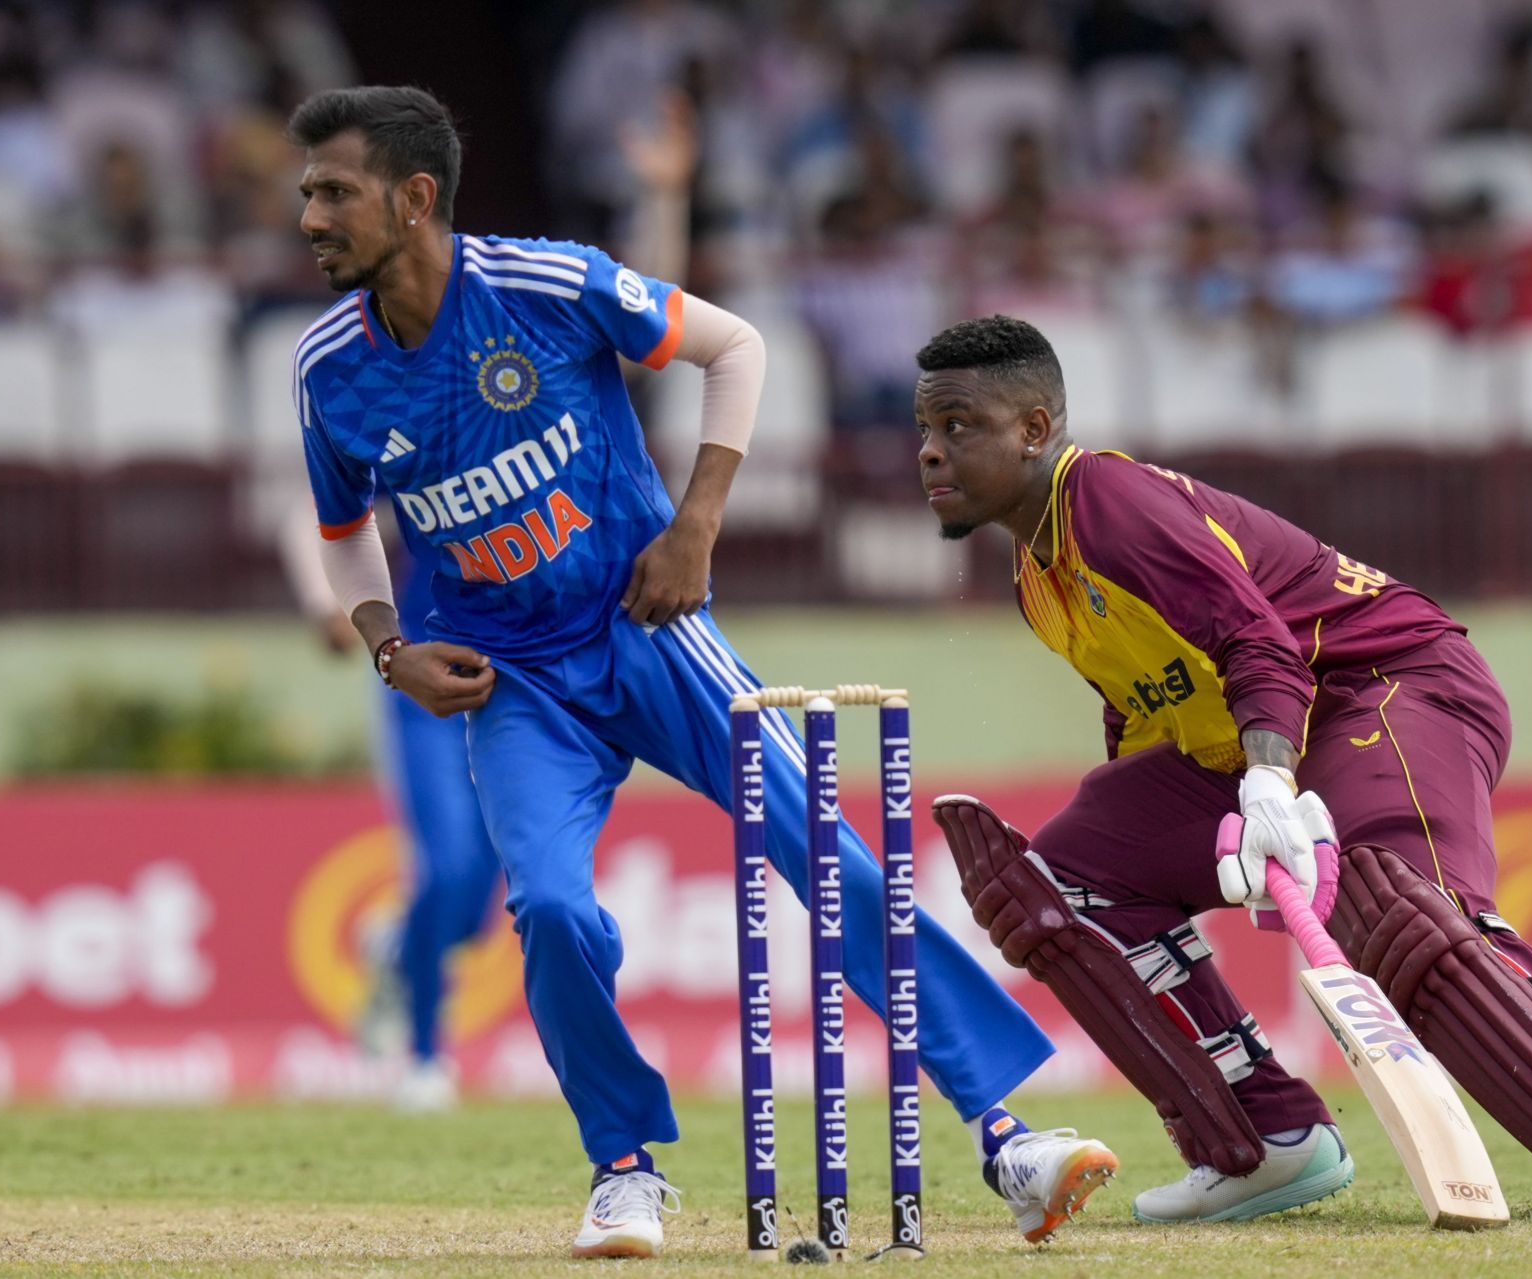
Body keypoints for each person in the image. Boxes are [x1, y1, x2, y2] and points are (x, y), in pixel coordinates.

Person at [284, 87, 1115, 1260]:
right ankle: (624, 1169)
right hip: (514, 680)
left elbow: (737, 346)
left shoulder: (542, 283)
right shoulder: (329, 370)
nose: (307, 215)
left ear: (415, 199)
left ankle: (1007, 1135)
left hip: (649, 624)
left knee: (824, 855)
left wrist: (696, 526)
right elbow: (340, 534)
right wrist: (385, 645)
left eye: (332, 191)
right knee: (552, 912)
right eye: (306, 191)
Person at [910, 314, 1532, 1224]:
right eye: (925, 432)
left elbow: (1259, 641)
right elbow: (1147, 710)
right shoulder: (1037, 574)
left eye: (958, 426)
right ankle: (1261, 1142)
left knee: (1391, 898)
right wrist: (1187, 838)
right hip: (1266, 738)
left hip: (1385, 684)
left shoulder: (1105, 498)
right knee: (1065, 881)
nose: (931, 455)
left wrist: (1266, 783)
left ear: (1034, 429)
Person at [280, 504, 498, 1112]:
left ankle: (397, 947)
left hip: (515, 688)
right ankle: (426, 1060)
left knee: (479, 909)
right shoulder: (418, 427)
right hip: (425, 695)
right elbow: (317, 516)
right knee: (446, 867)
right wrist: (326, 606)